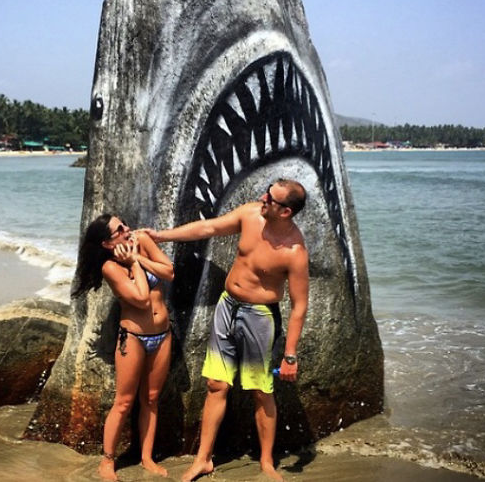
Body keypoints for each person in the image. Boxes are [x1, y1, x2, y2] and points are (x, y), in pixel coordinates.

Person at [145, 179, 309, 482]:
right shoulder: (250, 215)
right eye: (266, 191)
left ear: (286, 212)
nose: (262, 197)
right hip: (227, 306)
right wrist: (160, 236)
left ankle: (267, 463)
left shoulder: (294, 252)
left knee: (262, 391)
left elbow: (299, 305)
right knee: (216, 385)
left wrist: (289, 355)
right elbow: (208, 228)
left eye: (270, 198)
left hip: (260, 318)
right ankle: (203, 459)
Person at [73, 213, 174, 481]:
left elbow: (169, 272)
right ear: (107, 243)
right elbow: (141, 299)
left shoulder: (141, 241)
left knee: (151, 399)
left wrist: (137, 258)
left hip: (163, 335)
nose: (128, 229)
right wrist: (133, 263)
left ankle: (147, 457)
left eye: (125, 224)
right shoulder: (110, 268)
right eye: (120, 229)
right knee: (124, 402)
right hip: (133, 338)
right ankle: (107, 461)